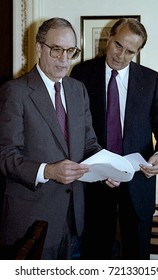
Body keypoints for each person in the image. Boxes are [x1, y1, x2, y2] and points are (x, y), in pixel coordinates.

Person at [0, 17, 119, 260]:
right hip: (30, 223)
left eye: (71, 51)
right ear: (39, 48)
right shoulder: (15, 91)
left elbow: (89, 144)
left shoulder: (78, 90)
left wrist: (108, 167)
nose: (64, 59)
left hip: (74, 220)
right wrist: (48, 171)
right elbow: (6, 157)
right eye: (56, 50)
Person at [70, 18, 158, 260]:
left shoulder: (151, 80)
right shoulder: (82, 74)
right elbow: (75, 130)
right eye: (118, 45)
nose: (121, 55)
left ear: (137, 52)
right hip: (95, 184)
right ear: (109, 37)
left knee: (137, 259)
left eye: (130, 51)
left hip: (137, 183)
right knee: (95, 257)